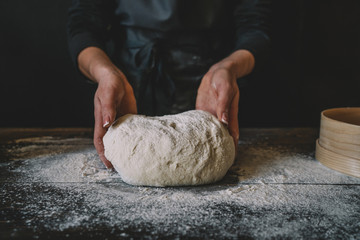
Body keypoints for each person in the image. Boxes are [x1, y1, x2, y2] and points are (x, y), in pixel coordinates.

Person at [67, 0, 271, 169]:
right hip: (128, 86)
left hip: (213, 89)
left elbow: (255, 27)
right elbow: (83, 24)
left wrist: (229, 68)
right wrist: (104, 73)